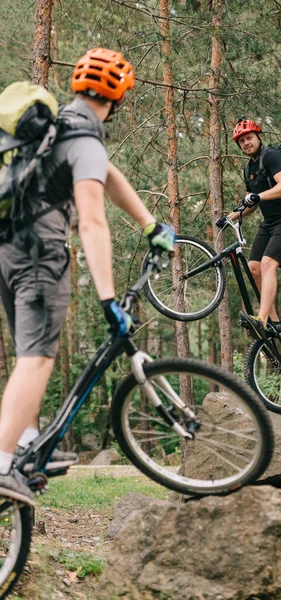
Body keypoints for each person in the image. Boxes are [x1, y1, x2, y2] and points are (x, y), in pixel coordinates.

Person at [0, 48, 175, 505]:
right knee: (37, 359)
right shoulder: (85, 140)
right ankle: (1, 467)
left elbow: (108, 175)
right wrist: (108, 299)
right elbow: (93, 221)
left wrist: (149, 223)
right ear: (116, 99)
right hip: (39, 257)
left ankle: (25, 446)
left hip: (8, 251)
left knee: (27, 355)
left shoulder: (60, 127)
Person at [216, 117, 281, 342]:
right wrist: (231, 216)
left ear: (259, 137)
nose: (246, 143)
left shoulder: (272, 157)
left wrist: (256, 196)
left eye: (249, 138)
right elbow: (253, 203)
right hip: (271, 221)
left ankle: (262, 318)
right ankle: (274, 322)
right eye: (242, 141)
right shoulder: (249, 168)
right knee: (254, 267)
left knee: (268, 264)